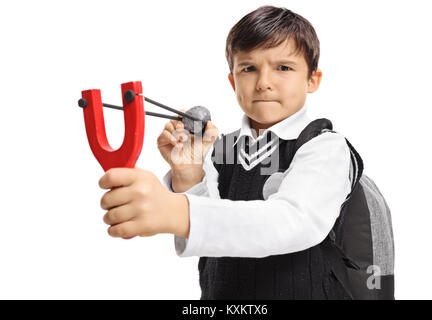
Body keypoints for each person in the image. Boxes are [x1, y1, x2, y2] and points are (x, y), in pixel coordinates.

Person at [99, 5, 353, 299]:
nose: (264, 82)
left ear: (312, 80)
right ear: (233, 81)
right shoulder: (220, 149)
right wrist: (190, 175)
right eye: (248, 68)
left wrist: (177, 211)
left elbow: (293, 221)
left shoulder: (324, 146)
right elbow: (211, 237)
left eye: (283, 68)